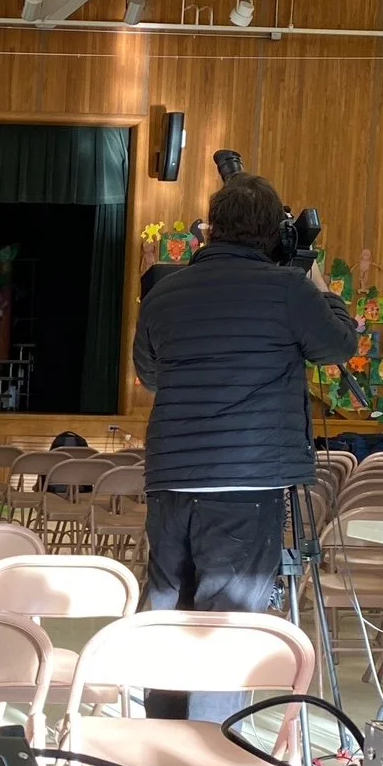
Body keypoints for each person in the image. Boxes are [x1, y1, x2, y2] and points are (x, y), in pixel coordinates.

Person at [133, 172, 358, 717]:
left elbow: (149, 374)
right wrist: (318, 276)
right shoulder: (288, 290)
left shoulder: (164, 289)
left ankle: (157, 738)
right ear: (271, 234)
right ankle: (209, 755)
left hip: (170, 476)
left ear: (212, 229)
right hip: (246, 479)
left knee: (168, 605)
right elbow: (339, 345)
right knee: (227, 619)